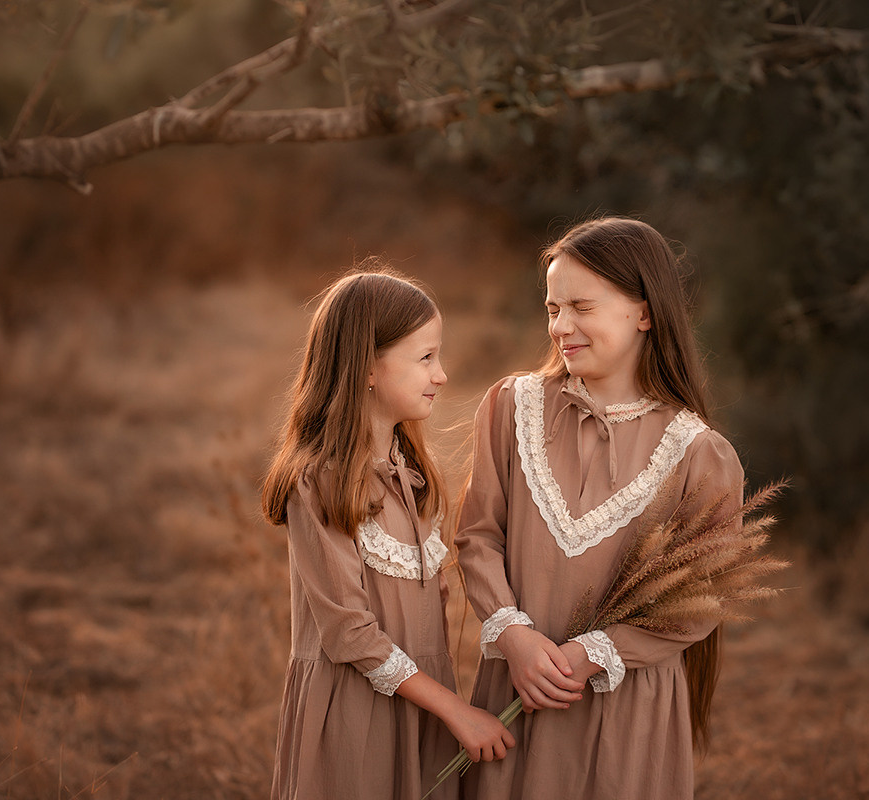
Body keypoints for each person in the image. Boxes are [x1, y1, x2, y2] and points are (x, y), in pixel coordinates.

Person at [455, 218, 744, 799]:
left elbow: (702, 596)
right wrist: (514, 637)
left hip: (626, 710)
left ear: (644, 313)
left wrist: (592, 654)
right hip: (517, 691)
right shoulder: (512, 407)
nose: (561, 327)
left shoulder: (699, 452)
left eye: (582, 307)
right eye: (553, 309)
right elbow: (477, 537)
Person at [262, 268, 514, 800]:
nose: (441, 374)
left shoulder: (412, 475)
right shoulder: (320, 480)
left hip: (423, 706)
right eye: (426, 358)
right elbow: (349, 634)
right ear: (368, 368)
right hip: (357, 714)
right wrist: (457, 711)